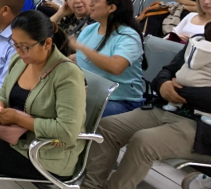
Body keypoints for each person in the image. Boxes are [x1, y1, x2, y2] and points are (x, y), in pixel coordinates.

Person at [0, 11, 85, 189]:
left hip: (46, 151)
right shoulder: (19, 61)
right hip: (13, 135)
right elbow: (3, 93)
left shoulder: (67, 74)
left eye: (25, 47)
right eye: (15, 44)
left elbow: (67, 132)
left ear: (47, 43)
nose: (19, 51)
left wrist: (17, 118)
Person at [83, 30, 211, 189]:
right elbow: (166, 71)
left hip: (202, 128)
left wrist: (181, 90)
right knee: (107, 127)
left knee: (144, 142)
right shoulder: (200, 41)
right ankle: (90, 186)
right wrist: (163, 84)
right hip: (168, 108)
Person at [68, 0, 147, 117]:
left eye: (96, 0)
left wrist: (82, 48)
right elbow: (80, 58)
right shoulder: (90, 29)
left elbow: (116, 67)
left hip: (121, 101)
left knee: (72, 114)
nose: (91, 4)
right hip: (89, 94)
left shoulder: (128, 36)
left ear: (111, 8)